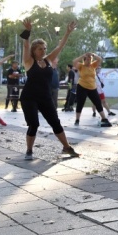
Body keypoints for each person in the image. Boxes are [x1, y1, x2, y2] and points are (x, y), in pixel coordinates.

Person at [18, 19, 79, 159]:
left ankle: (67, 147)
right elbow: (26, 45)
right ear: (35, 50)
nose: (44, 51)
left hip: (45, 97)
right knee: (34, 124)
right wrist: (28, 31)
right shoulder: (28, 61)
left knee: (55, 123)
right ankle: (29, 150)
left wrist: (68, 32)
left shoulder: (49, 60)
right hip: (29, 97)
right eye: (40, 48)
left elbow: (60, 46)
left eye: (45, 48)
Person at [71, 53, 112, 127]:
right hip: (82, 87)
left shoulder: (93, 65)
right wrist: (82, 55)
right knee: (80, 103)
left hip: (92, 88)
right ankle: (77, 119)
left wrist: (93, 54)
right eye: (87, 59)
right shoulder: (81, 66)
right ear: (84, 59)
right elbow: (74, 62)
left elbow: (100, 59)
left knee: (98, 102)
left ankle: (104, 118)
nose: (89, 60)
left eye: (90, 59)